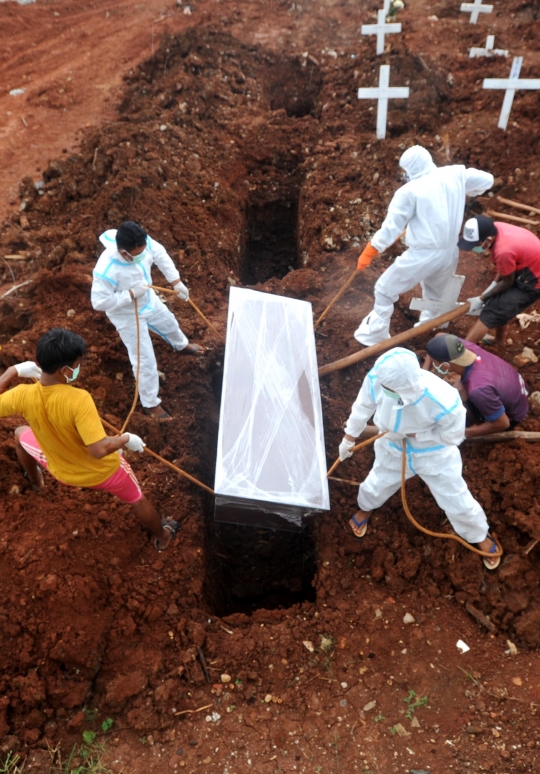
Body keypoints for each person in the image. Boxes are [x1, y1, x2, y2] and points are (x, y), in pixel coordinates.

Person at [0, 328, 178, 551]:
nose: (78, 369)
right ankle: (163, 536)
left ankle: (36, 482)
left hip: (59, 469)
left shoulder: (23, 395)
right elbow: (98, 449)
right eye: (76, 365)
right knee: (138, 499)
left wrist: (12, 371)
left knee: (20, 434)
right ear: (64, 370)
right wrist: (124, 439)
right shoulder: (79, 400)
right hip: (102, 473)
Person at [338, 347, 500, 569]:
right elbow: (363, 406)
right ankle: (365, 507)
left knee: (454, 495)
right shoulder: (379, 376)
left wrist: (419, 434)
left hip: (434, 453)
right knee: (378, 482)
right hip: (392, 447)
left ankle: (478, 534)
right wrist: (349, 438)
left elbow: (453, 435)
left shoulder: (443, 398)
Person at [353, 146, 494, 345]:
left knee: (384, 289)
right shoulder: (454, 174)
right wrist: (464, 187)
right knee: (435, 295)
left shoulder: (409, 191)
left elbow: (392, 227)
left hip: (424, 254)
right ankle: (428, 328)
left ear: (409, 169)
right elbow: (487, 180)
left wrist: (372, 249)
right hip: (450, 253)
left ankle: (375, 333)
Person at [91, 221, 202, 420]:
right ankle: (150, 403)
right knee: (145, 360)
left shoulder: (143, 242)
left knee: (170, 323)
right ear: (124, 252)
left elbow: (160, 254)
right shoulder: (106, 270)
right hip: (127, 314)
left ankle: (181, 345)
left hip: (148, 300)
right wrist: (131, 294)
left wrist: (176, 282)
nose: (143, 254)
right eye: (138, 253)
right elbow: (99, 302)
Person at [424, 333, 529, 437]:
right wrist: (422, 374)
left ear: (446, 365)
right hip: (516, 390)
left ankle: (477, 419)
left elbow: (503, 423)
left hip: (513, 414)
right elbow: (440, 335)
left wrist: (460, 434)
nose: (433, 366)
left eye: (434, 363)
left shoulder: (478, 390)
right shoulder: (467, 348)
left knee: (460, 393)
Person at [458, 215, 540, 346]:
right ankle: (499, 341)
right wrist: (494, 284)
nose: (474, 248)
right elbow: (505, 271)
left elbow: (508, 282)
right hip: (528, 265)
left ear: (488, 239)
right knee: (500, 304)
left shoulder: (503, 251)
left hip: (533, 281)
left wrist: (482, 298)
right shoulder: (495, 228)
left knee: (492, 311)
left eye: (476, 244)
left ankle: (459, 353)